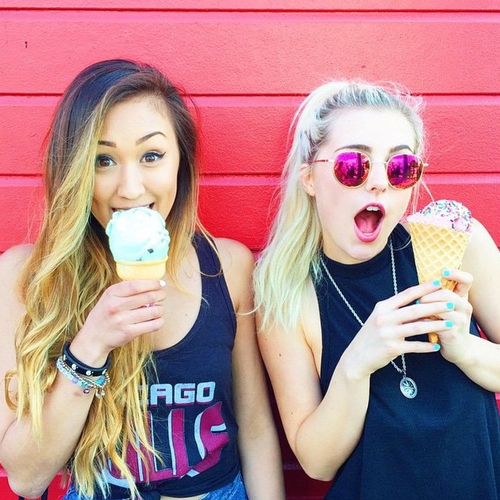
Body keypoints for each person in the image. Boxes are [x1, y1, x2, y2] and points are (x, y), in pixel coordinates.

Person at [0, 59, 285, 500]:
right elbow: (26, 477)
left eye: (151, 156)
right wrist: (90, 346)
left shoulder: (228, 265)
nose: (130, 188)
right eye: (103, 160)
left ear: (181, 163)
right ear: (73, 169)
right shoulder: (28, 278)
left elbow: (255, 427)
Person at [254, 80, 500, 499]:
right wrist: (357, 364)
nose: (379, 184)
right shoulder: (286, 294)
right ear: (309, 177)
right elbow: (317, 462)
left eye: (400, 167)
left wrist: (464, 347)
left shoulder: (462, 244)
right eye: (354, 166)